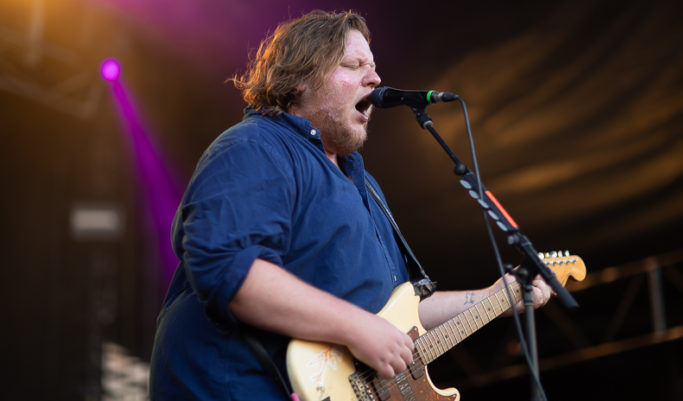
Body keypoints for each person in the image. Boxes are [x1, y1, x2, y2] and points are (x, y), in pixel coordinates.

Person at [148, 9, 552, 400]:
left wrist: (494, 298)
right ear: (300, 79)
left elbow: (398, 317)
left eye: (373, 66)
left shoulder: (364, 184)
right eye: (353, 65)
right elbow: (228, 267)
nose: (374, 78)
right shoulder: (255, 146)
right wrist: (357, 328)